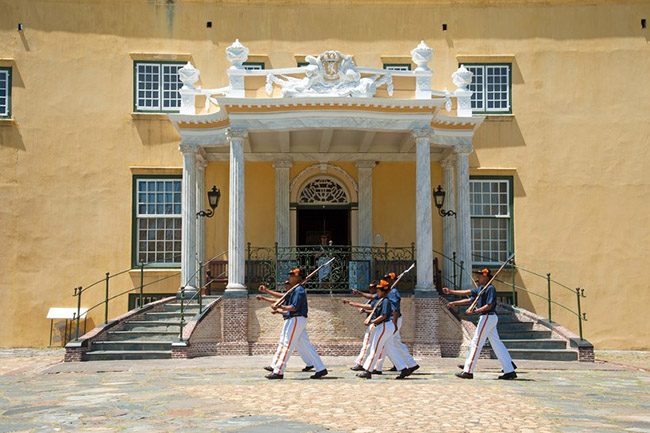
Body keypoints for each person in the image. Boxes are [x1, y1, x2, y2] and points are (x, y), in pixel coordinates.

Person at [443, 268, 517, 380]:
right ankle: (509, 369)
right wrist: (452, 295)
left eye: (480, 276)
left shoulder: (490, 288)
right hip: (489, 318)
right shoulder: (481, 289)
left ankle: (468, 370)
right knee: (497, 344)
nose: (478, 278)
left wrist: (474, 311)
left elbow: (489, 305)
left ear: (486, 277)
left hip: (487, 316)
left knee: (476, 342)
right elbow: (468, 294)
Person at [261, 268, 328, 380]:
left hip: (296, 318)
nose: (290, 276)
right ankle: (321, 368)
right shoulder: (294, 290)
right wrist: (267, 292)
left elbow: (293, 307)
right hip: (295, 319)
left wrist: (279, 307)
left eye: (293, 275)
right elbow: (282, 297)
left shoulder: (299, 291)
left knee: (287, 344)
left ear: (298, 277)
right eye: (290, 275)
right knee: (306, 346)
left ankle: (278, 371)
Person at [257, 280, 316, 373]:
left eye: (288, 284)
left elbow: (287, 306)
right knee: (303, 345)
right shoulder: (290, 294)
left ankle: (276, 367)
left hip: (294, 320)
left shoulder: (296, 293)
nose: (286, 286)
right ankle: (312, 364)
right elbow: (278, 300)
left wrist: (278, 307)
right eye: (285, 284)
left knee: (285, 344)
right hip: (293, 321)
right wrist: (265, 296)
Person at [355, 280, 410, 379]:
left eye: (378, 290)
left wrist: (372, 322)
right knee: (390, 348)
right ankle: (403, 369)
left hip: (385, 325)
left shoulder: (387, 300)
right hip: (386, 326)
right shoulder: (383, 298)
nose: (377, 292)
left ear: (383, 291)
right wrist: (353, 303)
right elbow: (371, 299)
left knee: (375, 348)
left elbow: (385, 315)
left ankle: (368, 370)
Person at [342, 282, 378, 372]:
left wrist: (352, 303)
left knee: (367, 344)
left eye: (373, 288)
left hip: (375, 323)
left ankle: (361, 363)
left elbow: (374, 310)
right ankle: (400, 365)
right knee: (390, 347)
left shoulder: (379, 299)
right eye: (370, 288)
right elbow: (365, 304)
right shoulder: (372, 298)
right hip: (376, 324)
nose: (371, 290)